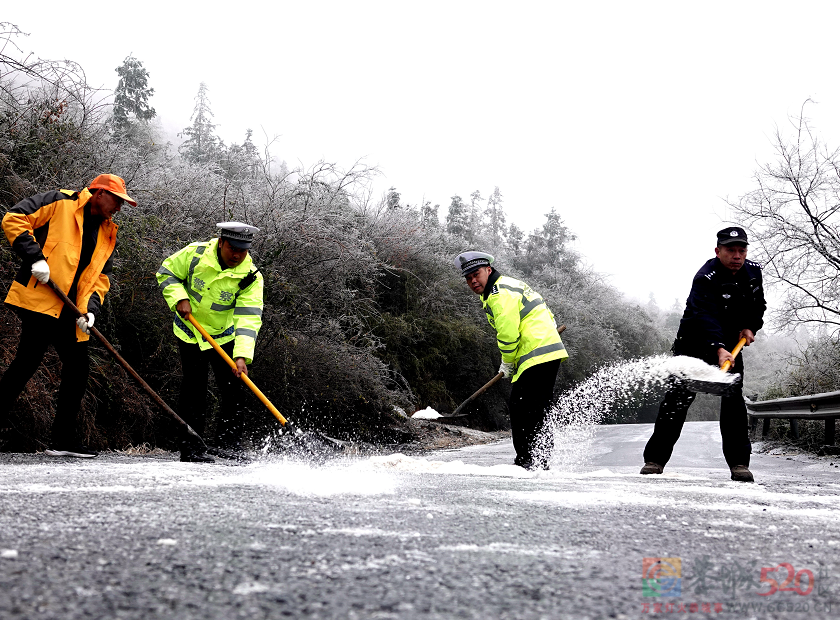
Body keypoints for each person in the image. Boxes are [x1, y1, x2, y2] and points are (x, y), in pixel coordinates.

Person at [0, 174, 134, 457]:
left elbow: (100, 277)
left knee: (77, 368)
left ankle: (62, 441)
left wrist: (92, 311)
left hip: (72, 311)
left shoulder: (108, 231)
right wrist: (34, 257)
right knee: (26, 363)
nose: (119, 208)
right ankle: (60, 440)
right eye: (117, 200)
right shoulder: (60, 201)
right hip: (41, 300)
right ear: (98, 193)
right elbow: (14, 217)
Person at [641, 227, 766, 482]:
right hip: (694, 343)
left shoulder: (753, 273)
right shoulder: (705, 278)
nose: (737, 256)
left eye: (742, 250)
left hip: (731, 345)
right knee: (677, 399)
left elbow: (758, 306)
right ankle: (655, 460)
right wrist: (718, 349)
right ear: (718, 251)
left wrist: (750, 326)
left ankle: (739, 464)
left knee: (733, 401)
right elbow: (704, 316)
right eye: (731, 250)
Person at [157, 222, 264, 463]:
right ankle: (191, 448)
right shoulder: (194, 254)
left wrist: (241, 357)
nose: (237, 255)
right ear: (221, 242)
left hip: (223, 334)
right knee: (194, 387)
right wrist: (179, 297)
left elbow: (249, 318)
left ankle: (229, 444)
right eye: (232, 248)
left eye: (243, 250)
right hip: (190, 330)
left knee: (234, 387)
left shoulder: (251, 277)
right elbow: (166, 272)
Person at [455, 251, 568, 470]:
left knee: (524, 408)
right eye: (468, 278)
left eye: (476, 274)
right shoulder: (507, 285)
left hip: (536, 353)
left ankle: (529, 461)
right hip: (542, 352)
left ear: (488, 270)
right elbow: (543, 309)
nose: (473, 281)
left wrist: (507, 362)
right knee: (533, 408)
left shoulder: (498, 294)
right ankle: (537, 460)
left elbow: (507, 334)